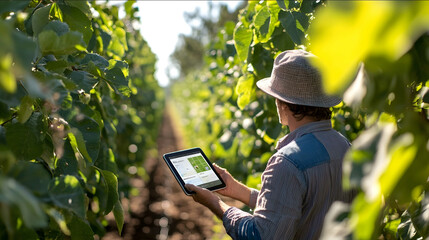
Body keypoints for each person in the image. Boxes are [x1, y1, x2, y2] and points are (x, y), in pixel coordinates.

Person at [185, 50, 355, 239]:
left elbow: (262, 235)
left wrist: (215, 204)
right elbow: (293, 209)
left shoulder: (288, 162)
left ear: (282, 103)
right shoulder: (346, 146)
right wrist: (237, 190)